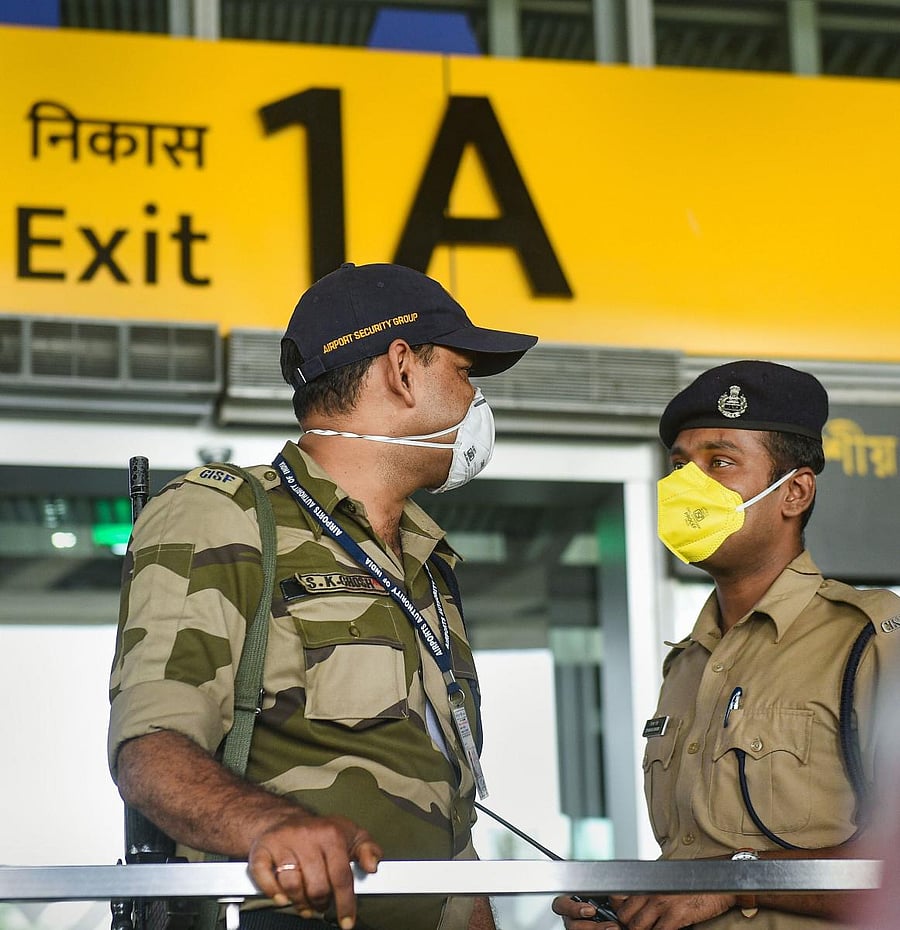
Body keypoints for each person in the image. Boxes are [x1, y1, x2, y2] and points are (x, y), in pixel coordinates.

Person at [107, 262, 537, 930]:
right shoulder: (228, 515)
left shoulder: (427, 563)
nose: (475, 400)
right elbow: (151, 747)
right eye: (463, 371)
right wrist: (271, 826)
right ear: (402, 368)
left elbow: (451, 826)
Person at [553, 360, 900, 930]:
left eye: (720, 462)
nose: (690, 484)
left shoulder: (866, 641)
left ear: (795, 492)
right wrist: (631, 906)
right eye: (681, 465)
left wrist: (732, 884)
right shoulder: (687, 663)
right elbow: (694, 867)